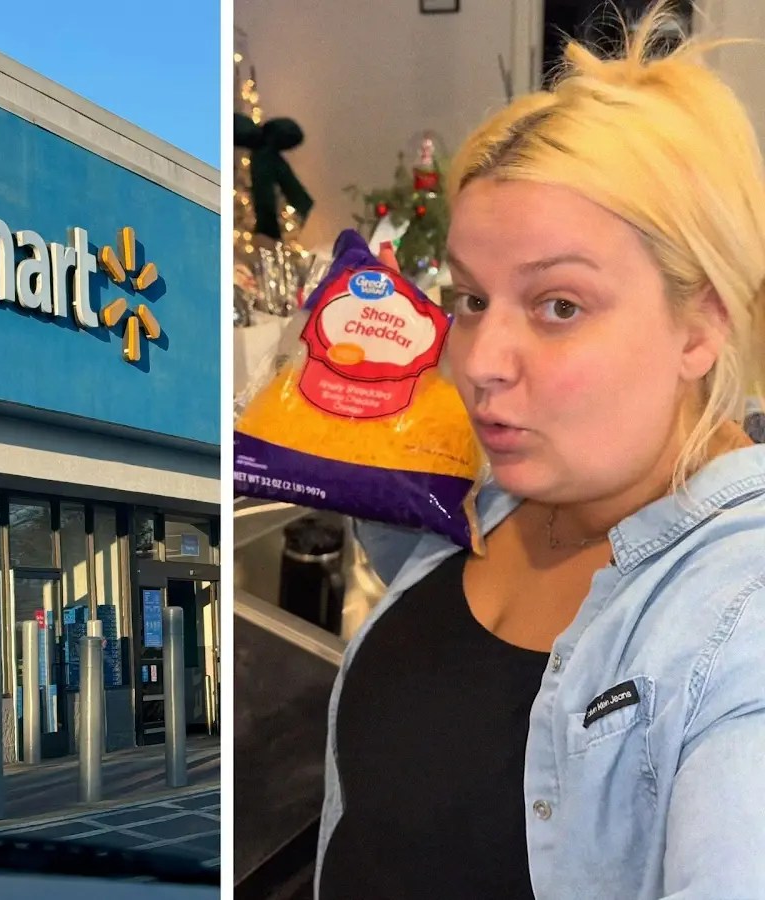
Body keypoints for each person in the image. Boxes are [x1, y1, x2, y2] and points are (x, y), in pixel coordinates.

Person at [315, 6, 765, 898]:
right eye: (472, 298)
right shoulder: (502, 489)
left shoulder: (739, 619)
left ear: (701, 324)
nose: (481, 363)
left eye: (560, 305)